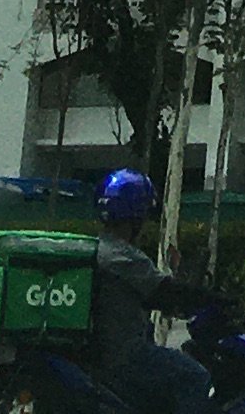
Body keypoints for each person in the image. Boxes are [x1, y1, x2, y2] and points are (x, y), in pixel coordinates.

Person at [87, 169, 211, 414]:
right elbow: (166, 293)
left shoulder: (96, 249)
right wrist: (219, 300)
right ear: (135, 218)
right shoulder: (126, 257)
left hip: (98, 357)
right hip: (126, 357)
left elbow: (148, 296)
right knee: (195, 376)